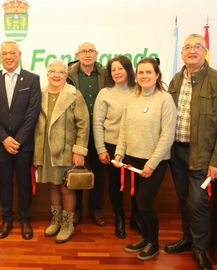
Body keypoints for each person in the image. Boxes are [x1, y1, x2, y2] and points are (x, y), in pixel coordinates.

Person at [164, 34, 217, 270]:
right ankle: (187, 239)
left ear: (205, 51)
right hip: (177, 153)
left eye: (197, 46)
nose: (191, 50)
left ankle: (200, 249)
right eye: (187, 47)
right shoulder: (175, 80)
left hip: (202, 155)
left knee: (198, 202)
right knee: (184, 200)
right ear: (182, 53)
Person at [114, 57, 176, 260]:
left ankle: (154, 243)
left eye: (148, 72)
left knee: (144, 203)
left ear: (157, 75)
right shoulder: (132, 98)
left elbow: (167, 136)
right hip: (133, 160)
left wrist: (151, 163)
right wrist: (119, 152)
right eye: (140, 72)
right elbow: (123, 129)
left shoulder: (165, 99)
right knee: (137, 203)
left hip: (154, 162)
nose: (144, 76)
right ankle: (146, 238)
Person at [0, 40, 41, 240]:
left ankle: (25, 220)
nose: (8, 57)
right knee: (5, 184)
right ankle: (7, 219)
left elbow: (32, 113)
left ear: (19, 54)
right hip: (1, 145)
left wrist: (17, 140)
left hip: (23, 145)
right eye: (5, 53)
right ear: (0, 56)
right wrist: (4, 139)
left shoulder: (32, 79)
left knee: (24, 183)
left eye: (12, 53)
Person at [34, 59, 89, 243]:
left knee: (66, 189)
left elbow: (83, 125)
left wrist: (79, 150)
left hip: (66, 150)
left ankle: (67, 224)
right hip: (45, 150)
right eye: (53, 71)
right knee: (52, 185)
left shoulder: (73, 94)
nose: (56, 75)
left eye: (61, 72)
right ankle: (56, 220)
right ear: (47, 73)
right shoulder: (39, 93)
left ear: (67, 75)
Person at [93, 55, 138, 239]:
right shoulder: (105, 93)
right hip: (111, 146)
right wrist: (101, 149)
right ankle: (119, 218)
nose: (117, 72)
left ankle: (136, 218)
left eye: (121, 68)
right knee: (115, 185)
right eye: (113, 69)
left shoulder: (139, 90)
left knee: (137, 185)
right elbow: (97, 123)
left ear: (128, 69)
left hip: (136, 146)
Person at [67, 42, 106, 226]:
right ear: (77, 54)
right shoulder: (69, 76)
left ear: (96, 53)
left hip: (101, 133)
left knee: (100, 173)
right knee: (78, 171)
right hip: (77, 133)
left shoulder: (105, 74)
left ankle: (96, 210)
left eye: (91, 51)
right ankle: (77, 210)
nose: (87, 54)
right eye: (84, 51)